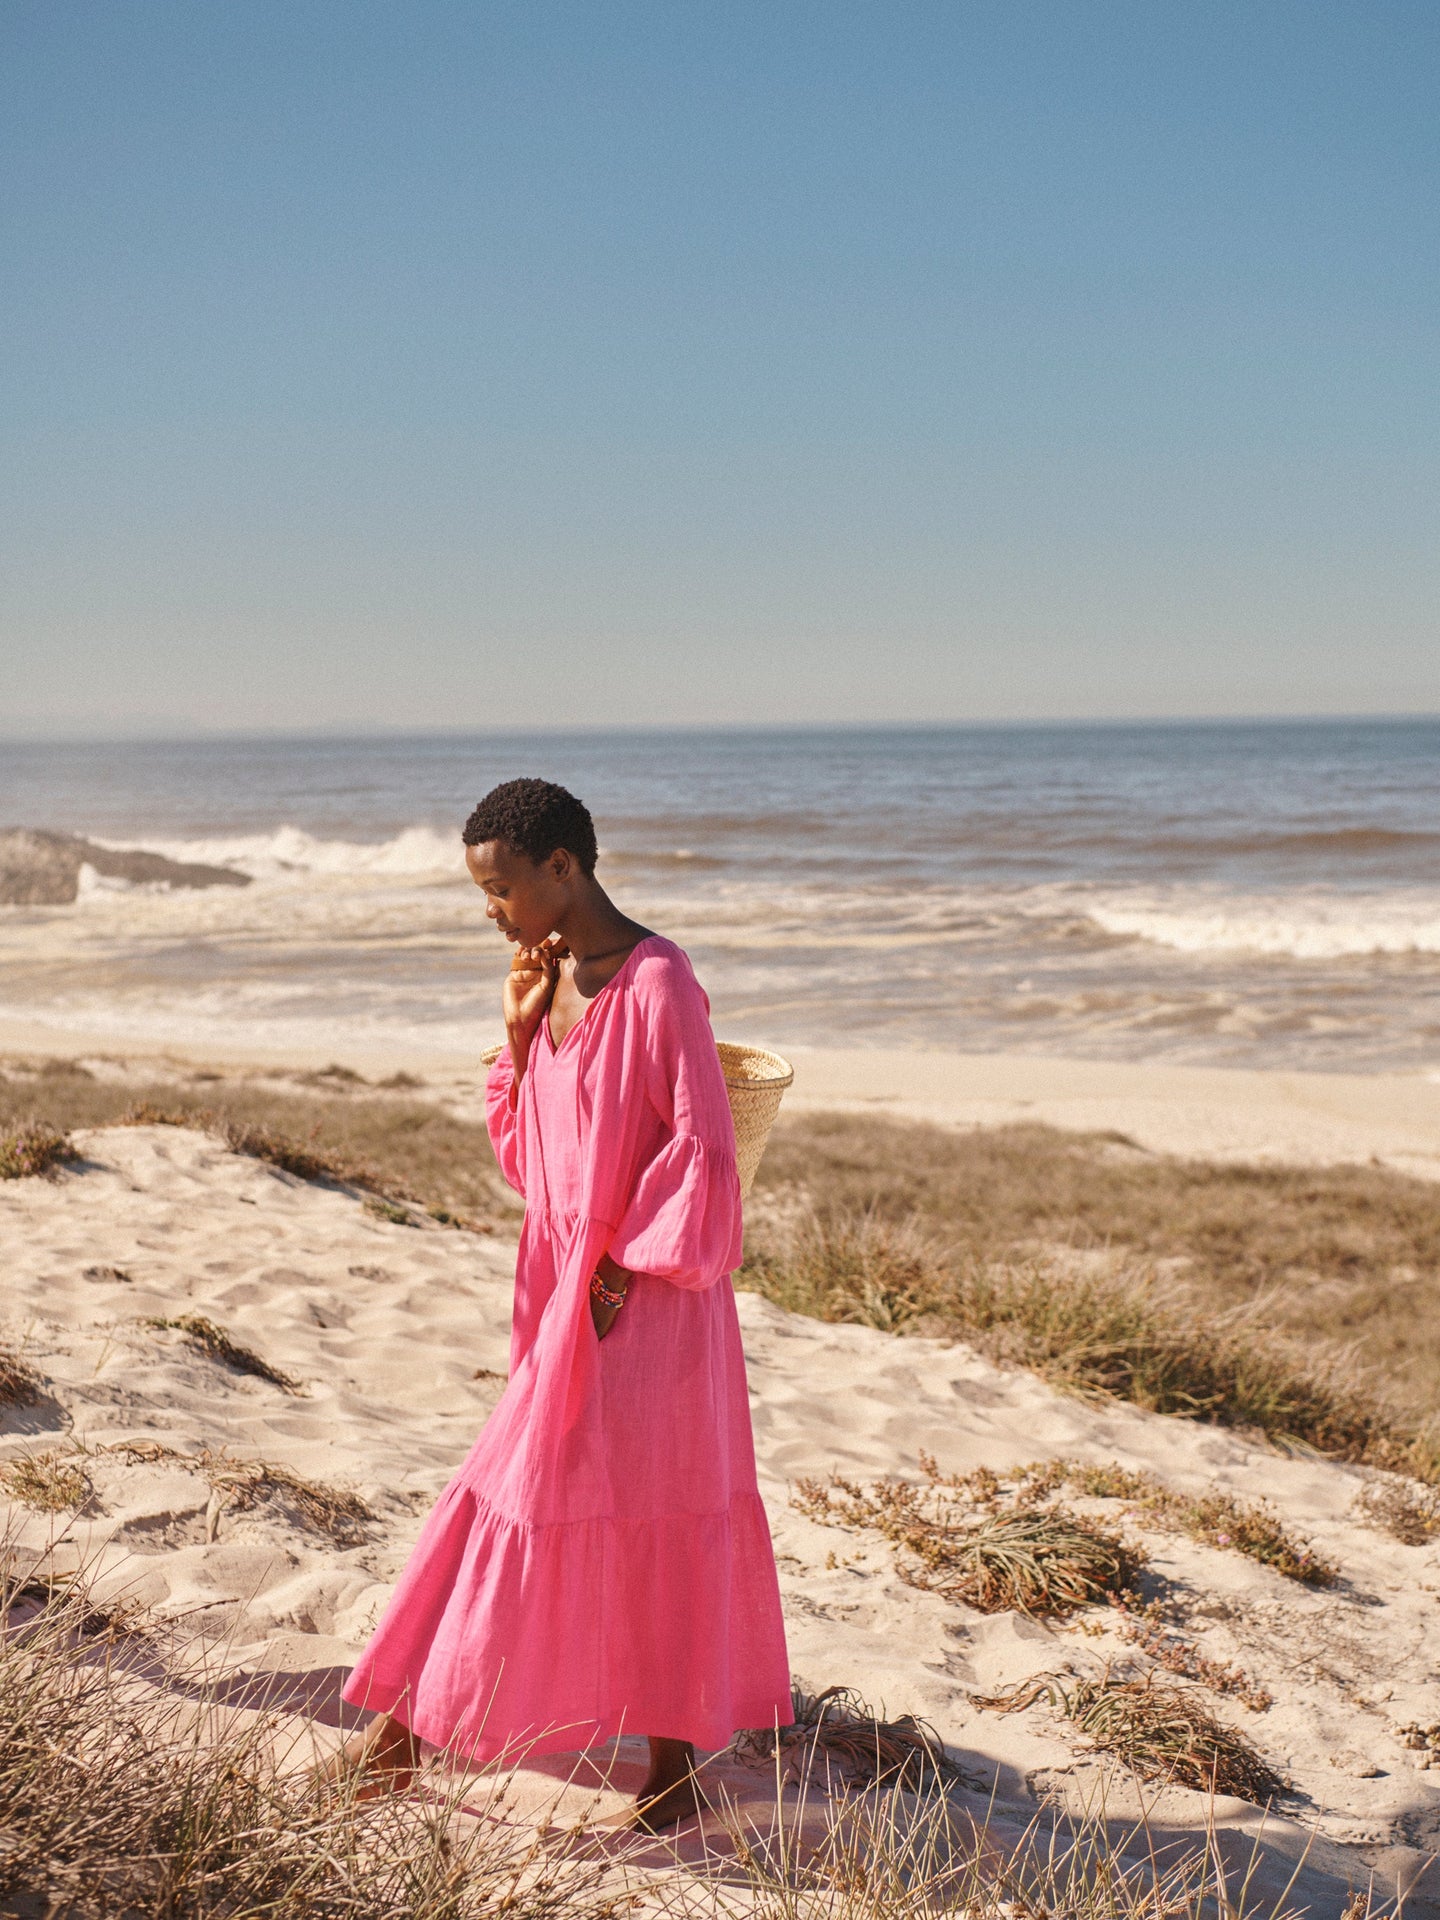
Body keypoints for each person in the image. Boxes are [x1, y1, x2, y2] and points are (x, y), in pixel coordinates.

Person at [331, 778, 791, 1828]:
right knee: (557, 1499)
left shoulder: (663, 982)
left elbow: (703, 1148)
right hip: (565, 1290)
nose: (492, 912)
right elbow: (536, 1162)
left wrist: (620, 1275)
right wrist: (520, 1035)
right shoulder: (556, 982)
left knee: (630, 1503)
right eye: (482, 894)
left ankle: (643, 1770)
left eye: (500, 890)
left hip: (646, 1298)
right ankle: (419, 1743)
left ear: (562, 866)